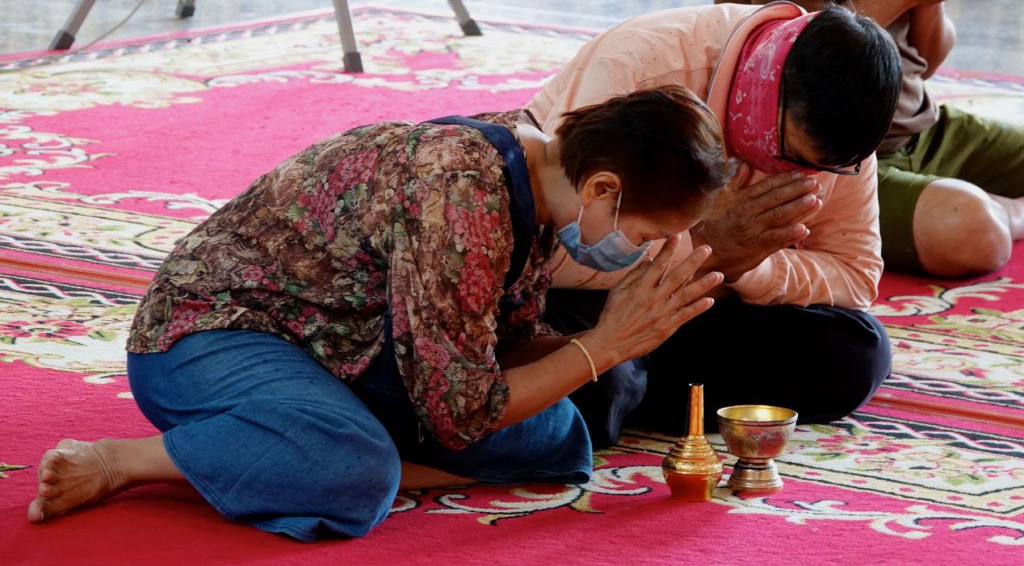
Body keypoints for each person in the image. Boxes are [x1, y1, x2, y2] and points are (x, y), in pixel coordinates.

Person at [27, 86, 733, 540]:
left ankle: (316, 447)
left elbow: (486, 361)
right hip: (212, 333)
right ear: (604, 188)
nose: (643, 253)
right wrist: (603, 344)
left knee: (558, 437)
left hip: (347, 352)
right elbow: (461, 411)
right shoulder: (460, 193)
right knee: (357, 472)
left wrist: (601, 345)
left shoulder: (543, 186)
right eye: (643, 236)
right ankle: (130, 461)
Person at [528, 1, 902, 446]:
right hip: (590, 295)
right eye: (792, 157)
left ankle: (628, 390)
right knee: (596, 382)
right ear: (764, 92)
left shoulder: (842, 138)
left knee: (857, 354)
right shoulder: (644, 66)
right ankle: (621, 388)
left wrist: (748, 268)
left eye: (824, 169)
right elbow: (553, 248)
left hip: (708, 302)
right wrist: (706, 245)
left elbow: (855, 277)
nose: (800, 177)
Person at [715, 0, 1020, 278]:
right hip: (825, 159)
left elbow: (923, 63)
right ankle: (1009, 211)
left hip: (916, 129)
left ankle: (980, 202)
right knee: (974, 232)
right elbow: (784, 61)